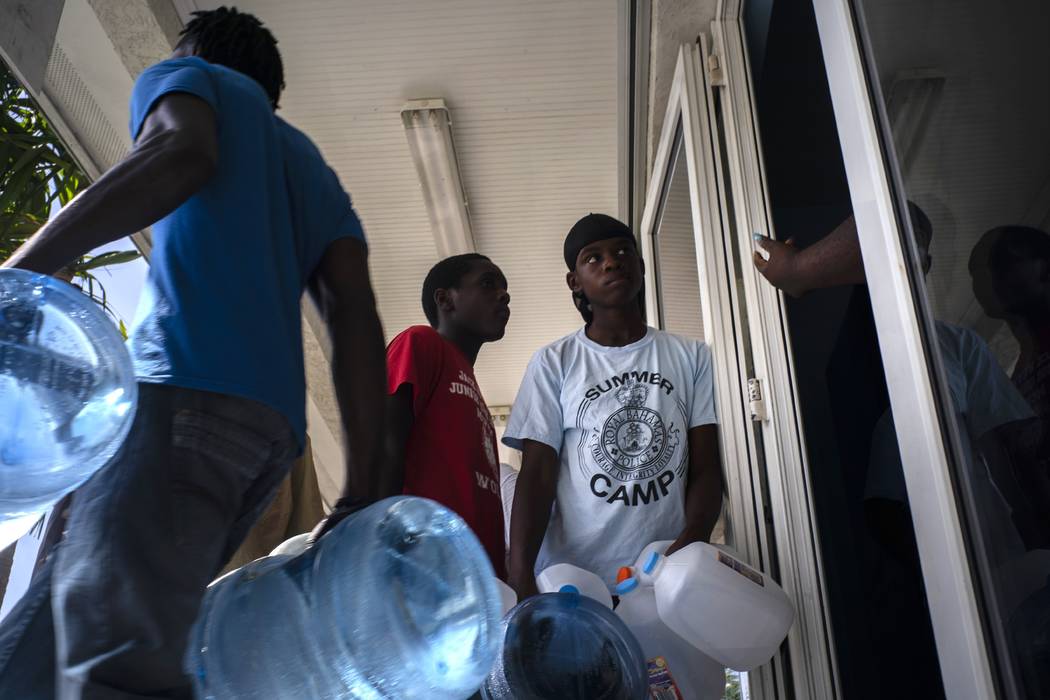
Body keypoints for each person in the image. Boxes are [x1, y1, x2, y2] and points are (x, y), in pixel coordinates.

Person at [0, 8, 386, 698]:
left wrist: (25, 271)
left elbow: (181, 153)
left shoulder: (190, 77)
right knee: (60, 628)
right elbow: (354, 318)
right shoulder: (314, 171)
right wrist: (361, 486)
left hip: (182, 392)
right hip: (264, 441)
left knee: (116, 657)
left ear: (195, 54)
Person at [503, 213, 724, 599]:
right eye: (593, 258)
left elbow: (706, 466)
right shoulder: (555, 361)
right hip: (574, 581)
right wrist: (521, 576)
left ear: (640, 266)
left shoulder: (691, 356)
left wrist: (690, 542)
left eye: (623, 252)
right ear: (575, 283)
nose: (611, 262)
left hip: (663, 573)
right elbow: (536, 475)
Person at [382, 254, 511, 578]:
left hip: (478, 581)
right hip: (423, 565)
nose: (504, 294)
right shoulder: (420, 342)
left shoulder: (473, 390)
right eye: (487, 283)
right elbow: (384, 443)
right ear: (445, 299)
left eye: (504, 287)